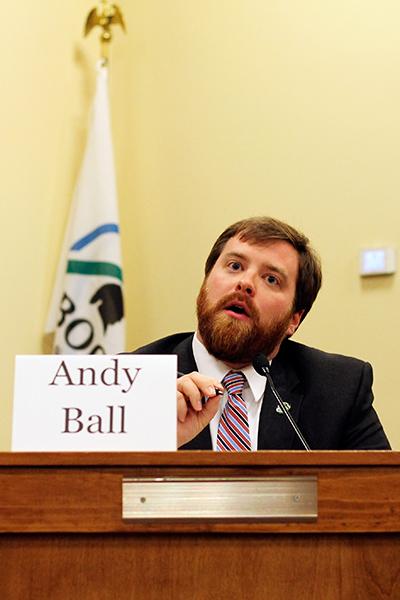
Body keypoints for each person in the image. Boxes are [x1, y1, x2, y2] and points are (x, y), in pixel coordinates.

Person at [133, 217, 391, 450]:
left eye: (271, 279)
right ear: (206, 281)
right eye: (234, 266)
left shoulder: (338, 389)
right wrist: (158, 440)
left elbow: (383, 495)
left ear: (294, 319)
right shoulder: (131, 381)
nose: (245, 283)